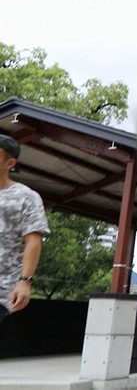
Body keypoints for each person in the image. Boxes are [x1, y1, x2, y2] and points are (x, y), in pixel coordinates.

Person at [0, 134, 49, 325]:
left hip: (3, 287)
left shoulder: (26, 197)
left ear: (10, 163)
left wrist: (25, 281)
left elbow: (33, 241)